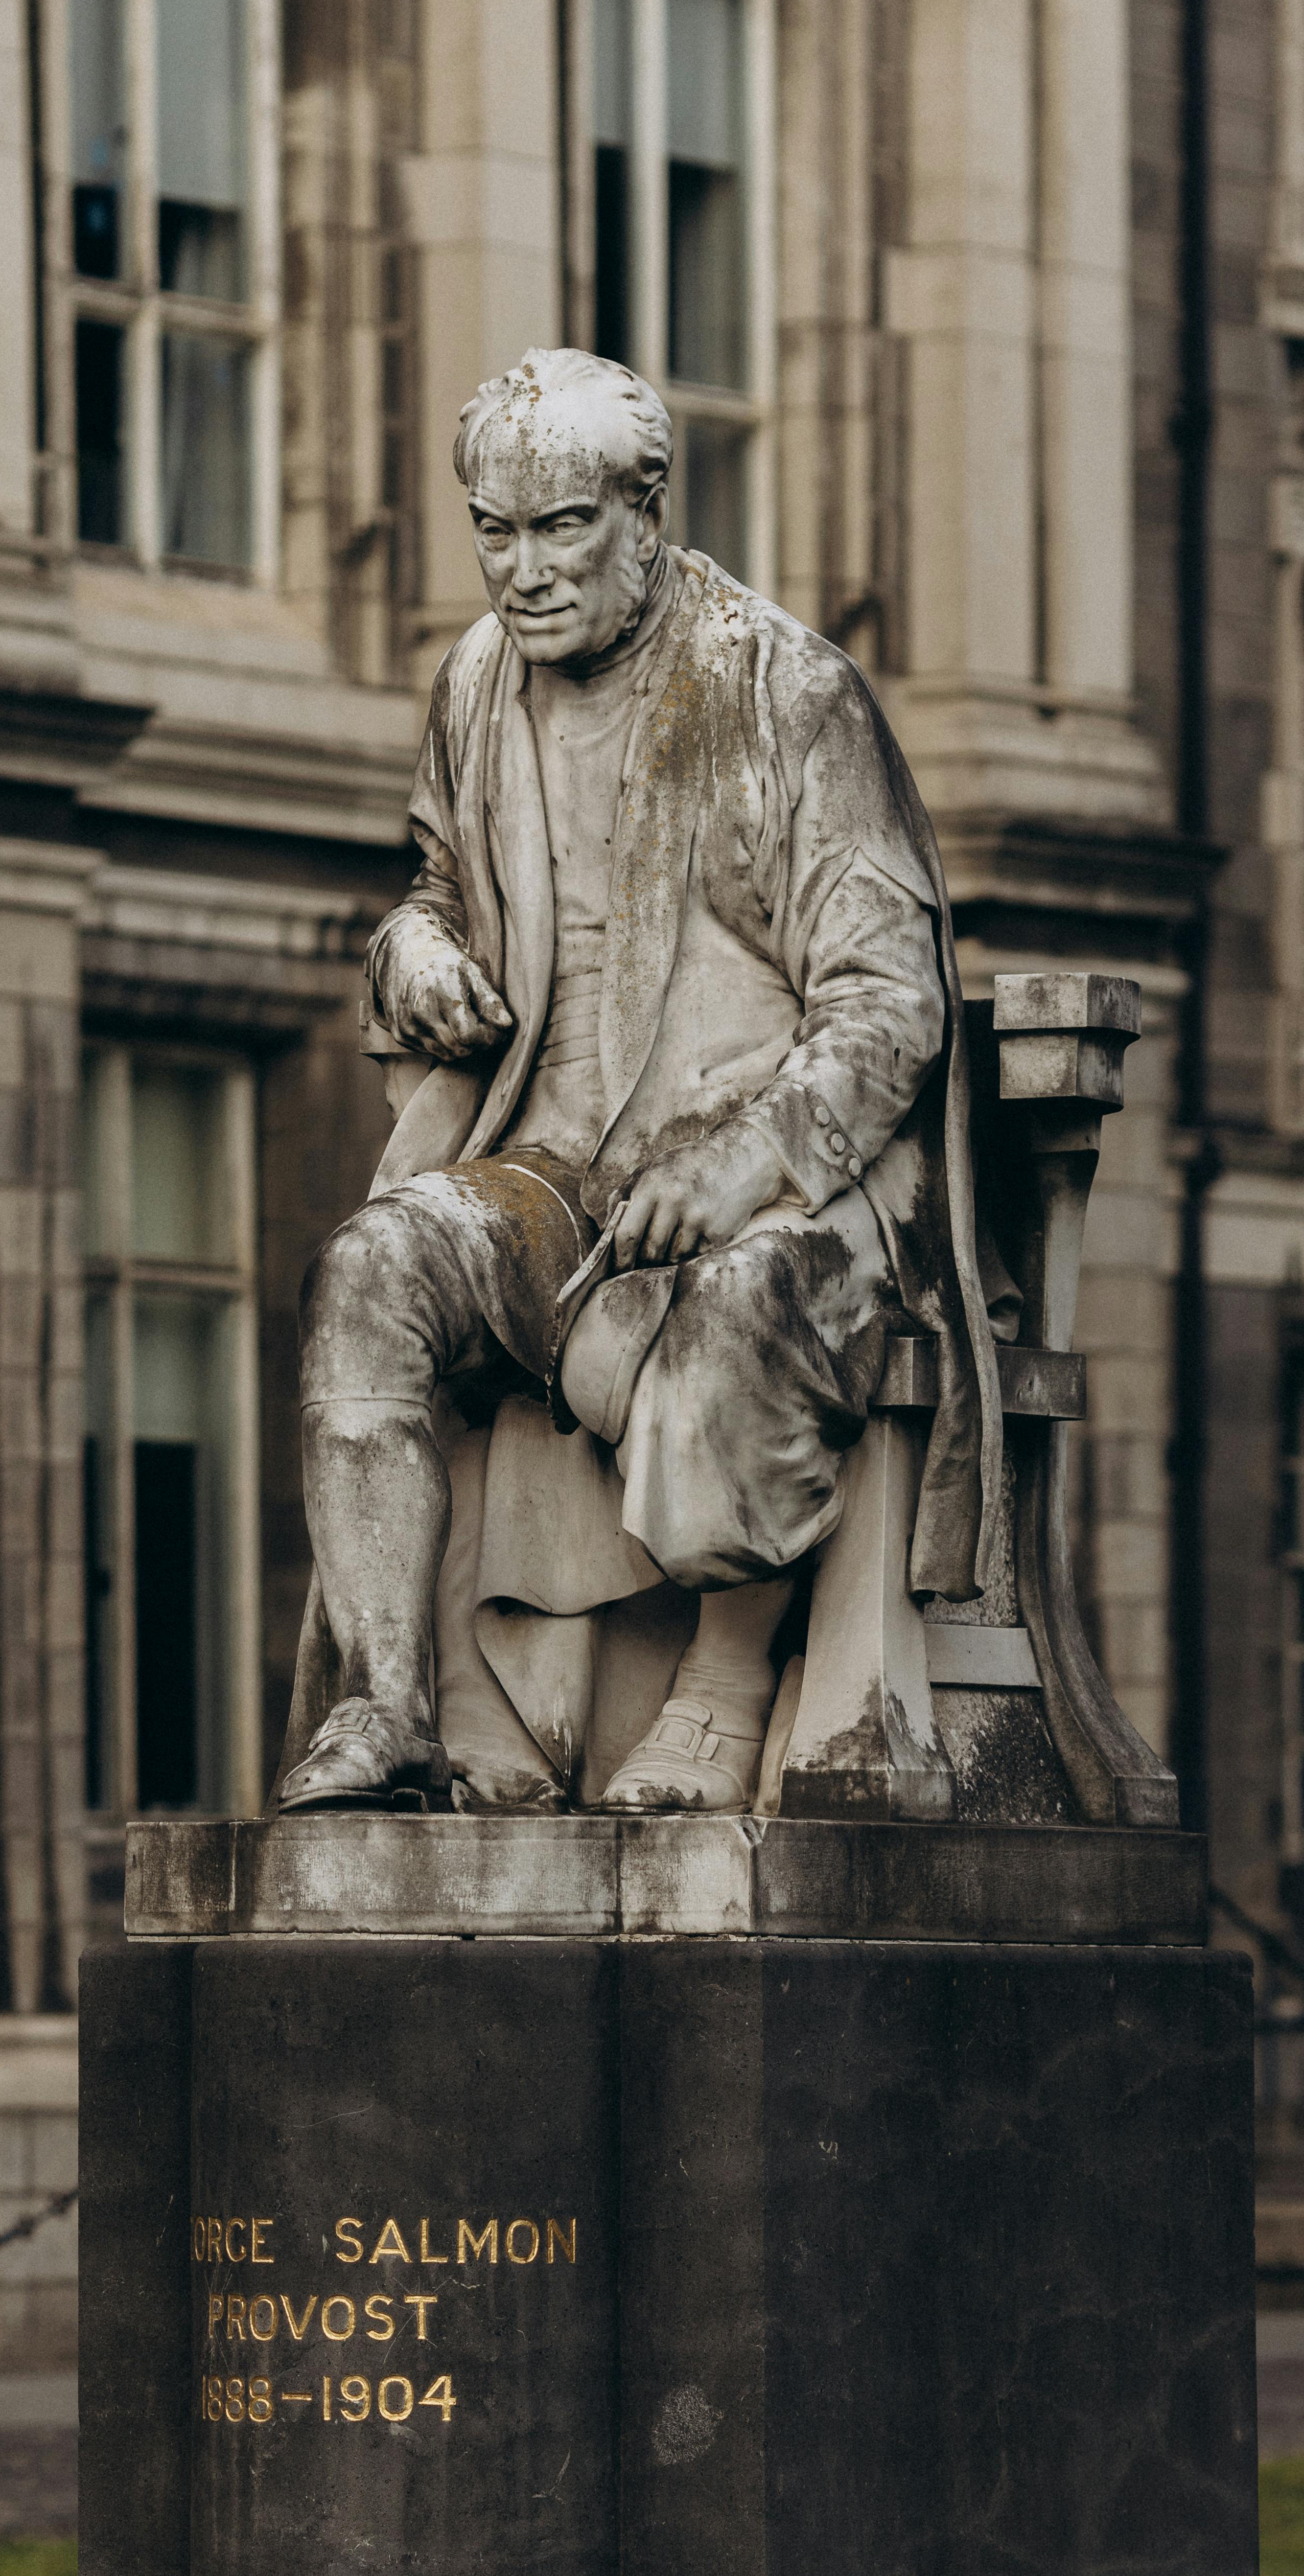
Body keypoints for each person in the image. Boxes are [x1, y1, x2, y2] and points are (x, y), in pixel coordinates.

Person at [276, 344, 1007, 1817]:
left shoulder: (787, 690)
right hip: (546, 1175)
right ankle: (391, 1708)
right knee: (369, 1273)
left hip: (779, 1180)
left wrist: (736, 1167)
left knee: (749, 1305)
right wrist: (410, 956)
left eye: (563, 530)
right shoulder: (479, 684)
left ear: (647, 509)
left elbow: (888, 1002)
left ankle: (723, 1692)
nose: (523, 573)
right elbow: (438, 891)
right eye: (494, 531)